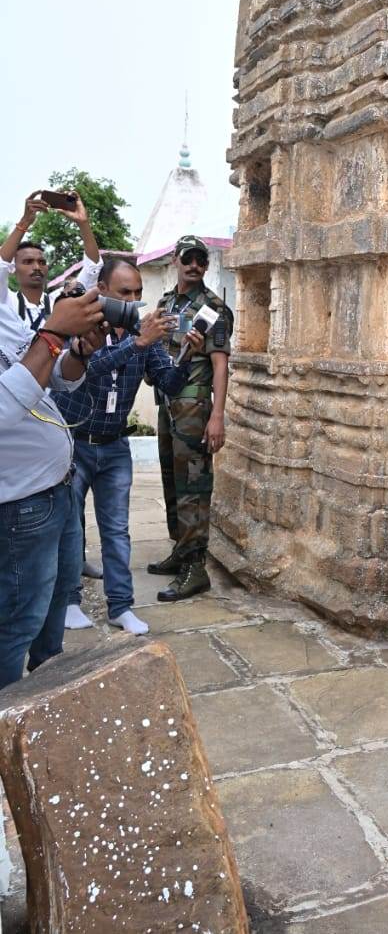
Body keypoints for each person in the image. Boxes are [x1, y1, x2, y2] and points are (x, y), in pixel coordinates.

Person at [54, 260, 203, 634]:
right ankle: (70, 601)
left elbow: (167, 383)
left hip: (115, 445)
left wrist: (185, 355)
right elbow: (89, 368)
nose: (134, 300)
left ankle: (120, 606)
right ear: (102, 289)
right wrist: (138, 343)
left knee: (117, 530)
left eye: (138, 292)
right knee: (70, 528)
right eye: (125, 292)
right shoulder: (84, 326)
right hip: (74, 441)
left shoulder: (144, 333)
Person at [0, 287, 104, 688]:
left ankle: (45, 709)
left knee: (54, 610)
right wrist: (52, 334)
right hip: (19, 506)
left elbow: (51, 380)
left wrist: (76, 352)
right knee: (16, 623)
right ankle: (10, 732)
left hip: (58, 490)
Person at [147, 236, 233, 602]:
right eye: (188, 259)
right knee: (172, 481)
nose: (194, 264)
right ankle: (181, 552)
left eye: (201, 259)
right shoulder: (166, 303)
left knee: (194, 488)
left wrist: (217, 415)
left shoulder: (213, 309)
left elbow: (220, 364)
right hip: (168, 403)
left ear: (207, 265)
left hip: (195, 407)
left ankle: (196, 569)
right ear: (176, 262)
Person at [1, 190, 102, 326]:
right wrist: (25, 222)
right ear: (13, 268)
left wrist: (83, 223)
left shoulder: (59, 302)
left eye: (42, 262)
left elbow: (93, 269)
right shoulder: (5, 301)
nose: (37, 267)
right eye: (28, 262)